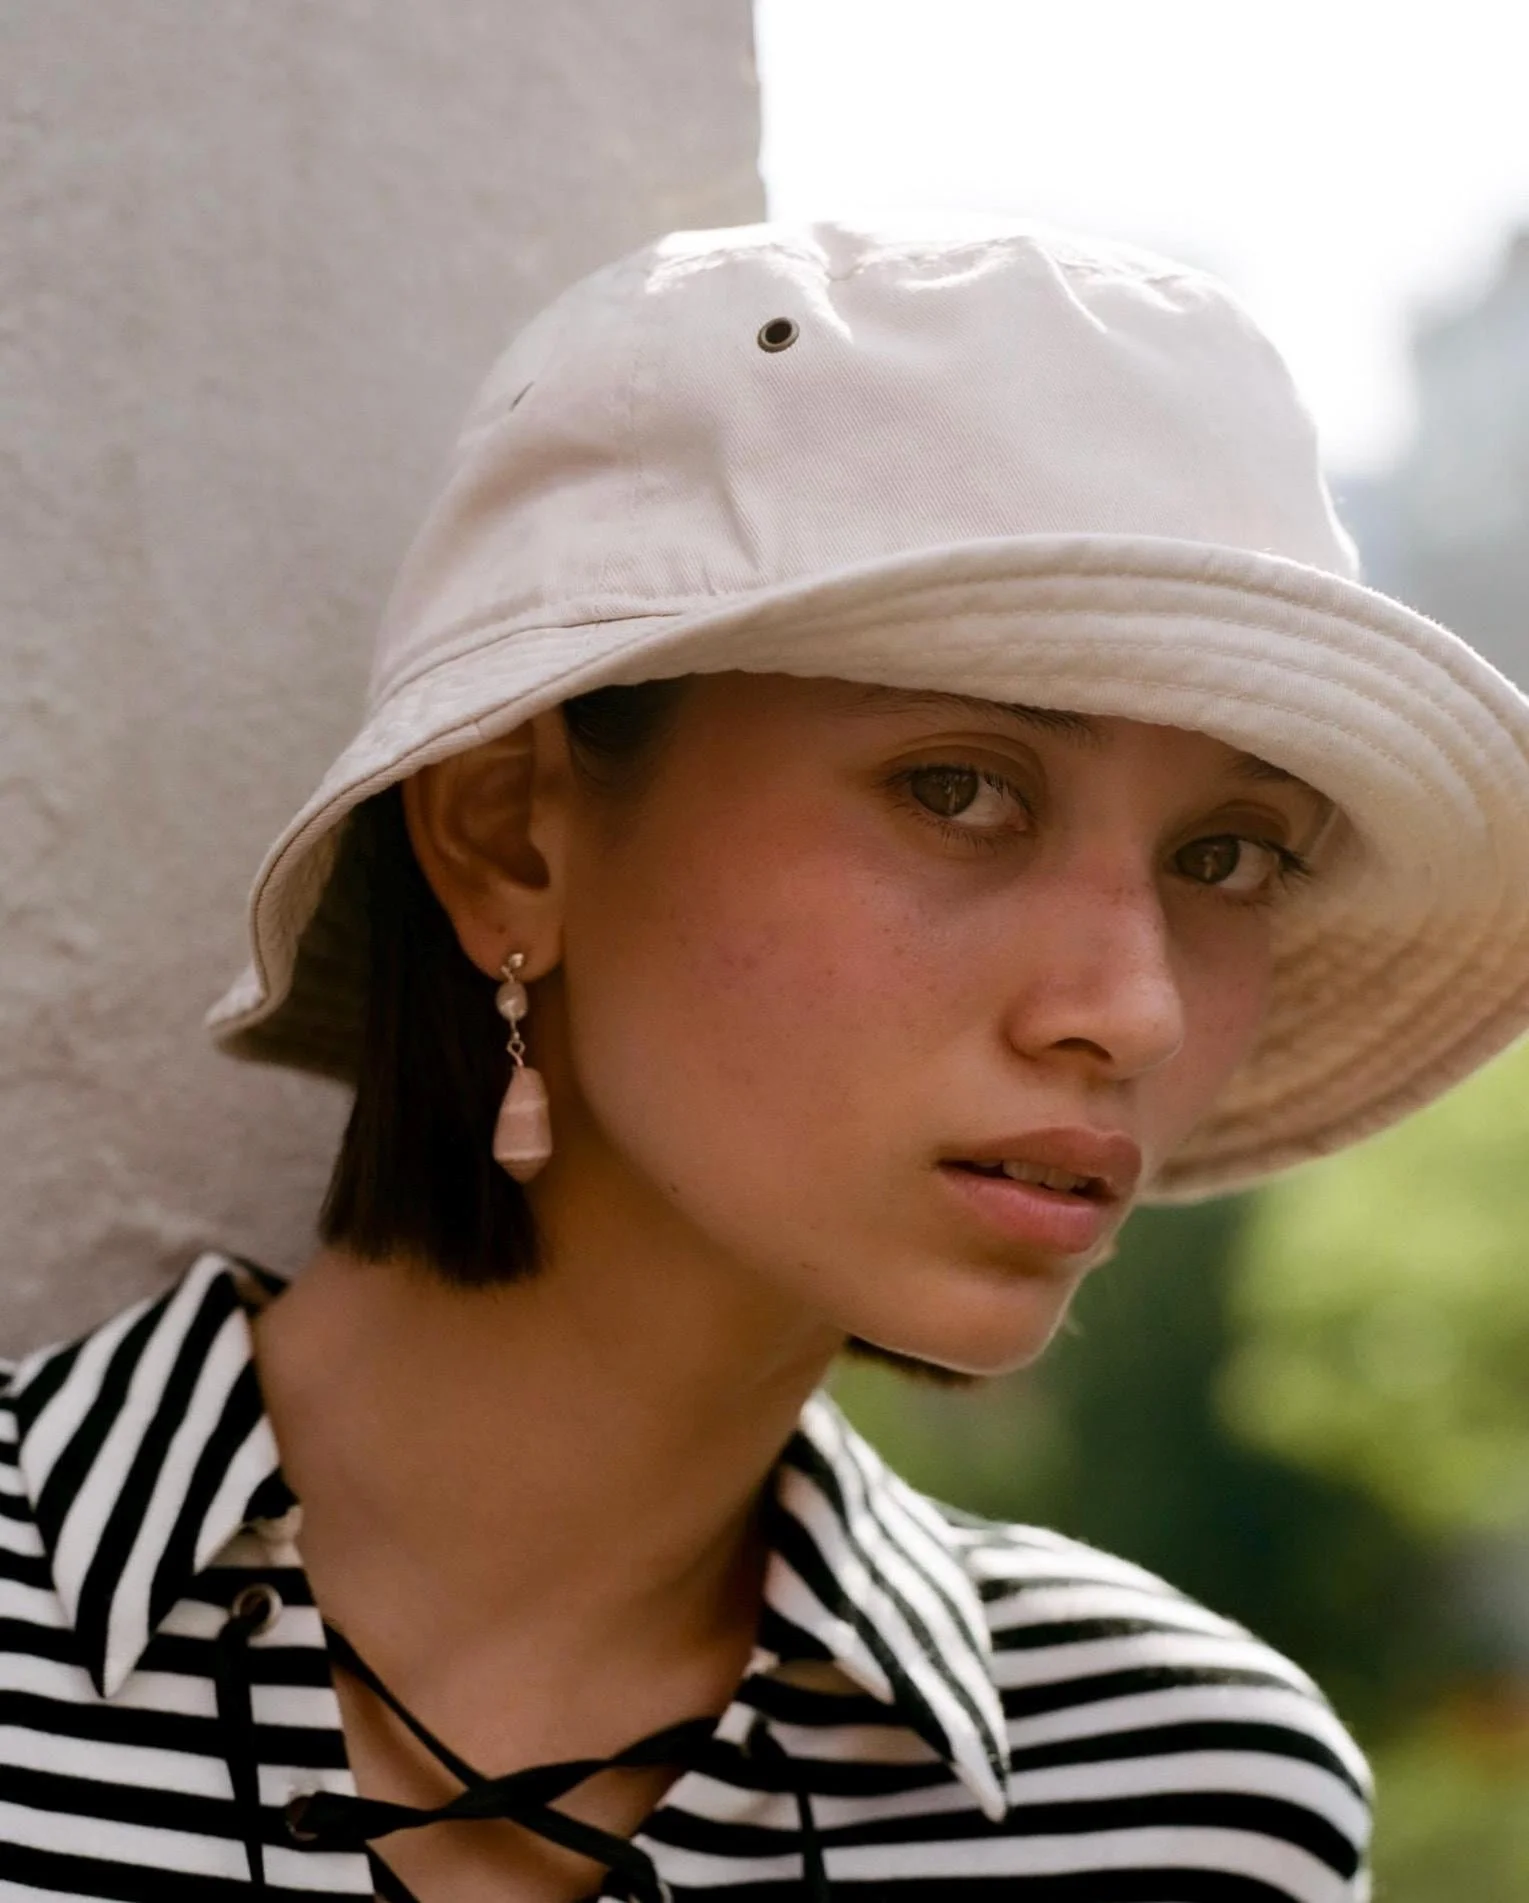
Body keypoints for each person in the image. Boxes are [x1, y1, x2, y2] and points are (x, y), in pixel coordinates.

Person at [5, 219, 1528, 1903]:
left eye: (1227, 856)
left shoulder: (1183, 1799)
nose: (1135, 1004)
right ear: (512, 835)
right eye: (960, 789)